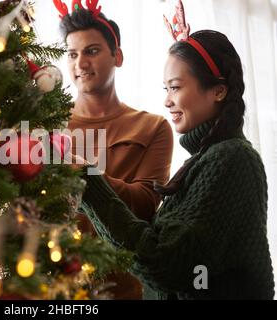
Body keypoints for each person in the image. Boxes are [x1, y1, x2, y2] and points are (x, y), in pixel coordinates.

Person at [78, 0, 275, 299]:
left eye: (176, 87)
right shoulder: (206, 159)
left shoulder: (232, 158)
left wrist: (88, 180)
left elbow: (168, 267)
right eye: (165, 89)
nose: (167, 101)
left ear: (218, 90)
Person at [54, 0, 174, 299]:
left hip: (125, 289)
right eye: (72, 54)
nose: (80, 64)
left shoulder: (153, 127)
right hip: (55, 287)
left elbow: (145, 205)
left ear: (117, 56)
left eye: (91, 51)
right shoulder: (48, 126)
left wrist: (87, 173)